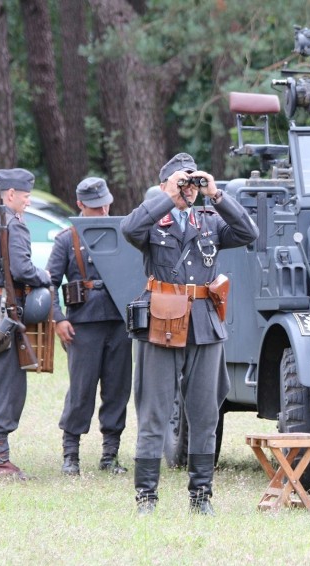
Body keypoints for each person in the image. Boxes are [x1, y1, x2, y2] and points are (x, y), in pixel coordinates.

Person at [120, 152, 259, 515]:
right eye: (184, 182)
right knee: (153, 413)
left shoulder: (210, 219)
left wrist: (217, 194)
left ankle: (201, 496)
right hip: (161, 323)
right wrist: (168, 196)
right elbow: (129, 229)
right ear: (166, 184)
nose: (190, 189)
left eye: (193, 181)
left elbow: (248, 233)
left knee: (205, 414)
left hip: (204, 324)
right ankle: (146, 498)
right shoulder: (154, 219)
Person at [0, 168, 52, 478]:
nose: (28, 202)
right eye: (26, 196)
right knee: (6, 385)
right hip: (3, 312)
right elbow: (23, 270)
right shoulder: (12, 225)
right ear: (11, 195)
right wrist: (45, 277)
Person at [46, 177, 132, 476]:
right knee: (81, 391)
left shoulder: (122, 234)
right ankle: (71, 455)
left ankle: (110, 455)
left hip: (119, 322)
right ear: (81, 204)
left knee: (117, 389)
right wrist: (58, 318)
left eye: (105, 203)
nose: (103, 210)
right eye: (96, 207)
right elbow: (50, 284)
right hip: (83, 324)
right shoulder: (66, 240)